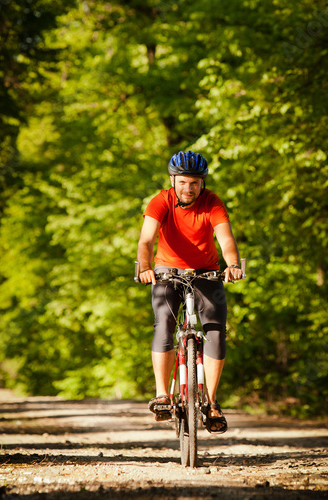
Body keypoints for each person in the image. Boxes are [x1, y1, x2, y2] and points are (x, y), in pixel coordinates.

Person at [137, 150, 243, 434]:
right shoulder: (161, 201)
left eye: (195, 182)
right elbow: (147, 239)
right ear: (173, 180)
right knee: (164, 324)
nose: (189, 188)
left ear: (202, 183)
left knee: (216, 329)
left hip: (206, 273)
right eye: (183, 182)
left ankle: (210, 403)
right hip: (166, 273)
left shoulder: (212, 203)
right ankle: (162, 394)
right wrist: (145, 267)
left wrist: (232, 264)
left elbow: (226, 239)